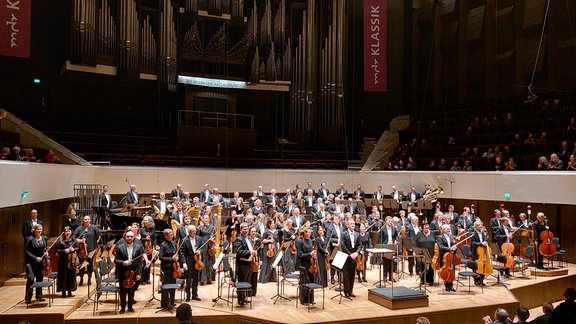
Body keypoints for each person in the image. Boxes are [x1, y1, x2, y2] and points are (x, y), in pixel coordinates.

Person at [114, 230, 143, 314]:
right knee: (122, 290)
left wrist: (139, 273)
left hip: (134, 271)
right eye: (128, 236)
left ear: (134, 237)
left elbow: (139, 262)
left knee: (131, 290)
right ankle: (123, 307)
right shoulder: (120, 247)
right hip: (123, 271)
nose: (129, 238)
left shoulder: (138, 247)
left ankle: (130, 307)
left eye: (131, 236)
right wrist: (124, 262)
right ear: (125, 237)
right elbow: (116, 260)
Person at [73, 215, 101, 286]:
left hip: (91, 249)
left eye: (88, 219)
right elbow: (74, 238)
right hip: (81, 250)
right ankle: (81, 278)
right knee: (82, 265)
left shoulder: (94, 228)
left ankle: (89, 278)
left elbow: (99, 236)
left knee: (90, 265)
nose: (87, 220)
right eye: (86, 219)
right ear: (83, 220)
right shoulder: (79, 228)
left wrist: (96, 243)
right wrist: (80, 241)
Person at [24, 224, 49, 303]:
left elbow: (44, 249)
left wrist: (46, 253)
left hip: (40, 262)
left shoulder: (44, 238)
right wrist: (35, 258)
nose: (39, 230)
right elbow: (26, 251)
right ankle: (28, 298)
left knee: (39, 278)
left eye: (41, 229)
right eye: (38, 229)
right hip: (31, 263)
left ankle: (39, 296)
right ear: (34, 230)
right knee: (31, 279)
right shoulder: (30, 239)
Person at [179, 225, 204, 302]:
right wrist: (184, 263)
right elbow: (181, 252)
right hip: (188, 261)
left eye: (195, 230)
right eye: (193, 231)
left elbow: (202, 248)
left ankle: (194, 295)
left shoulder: (199, 238)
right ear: (189, 232)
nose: (194, 232)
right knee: (188, 279)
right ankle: (188, 296)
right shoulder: (184, 240)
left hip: (197, 261)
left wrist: (200, 251)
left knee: (196, 279)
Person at [234, 222, 256, 306]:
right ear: (241, 230)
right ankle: (240, 299)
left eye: (247, 229)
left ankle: (244, 297)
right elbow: (238, 252)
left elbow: (250, 249)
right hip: (242, 263)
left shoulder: (249, 238)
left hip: (249, 262)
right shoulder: (238, 239)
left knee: (246, 280)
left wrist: (253, 252)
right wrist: (250, 252)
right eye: (244, 229)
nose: (246, 230)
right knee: (242, 281)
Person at [296, 227, 316, 304]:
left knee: (311, 279)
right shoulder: (300, 241)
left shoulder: (310, 241)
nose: (310, 233)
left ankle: (311, 299)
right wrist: (309, 254)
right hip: (303, 263)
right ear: (304, 233)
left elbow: (310, 250)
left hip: (310, 263)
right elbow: (300, 254)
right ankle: (303, 300)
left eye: (310, 232)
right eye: (308, 232)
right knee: (305, 280)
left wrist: (313, 254)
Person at [159, 229, 178, 310]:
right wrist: (171, 258)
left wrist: (177, 258)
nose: (172, 236)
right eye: (170, 235)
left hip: (174, 268)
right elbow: (161, 257)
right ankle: (164, 303)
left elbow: (177, 253)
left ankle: (172, 302)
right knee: (166, 285)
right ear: (166, 236)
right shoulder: (163, 245)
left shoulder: (174, 243)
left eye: (172, 234)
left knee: (173, 284)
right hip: (166, 268)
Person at [341, 219, 360, 298]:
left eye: (353, 224)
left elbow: (359, 245)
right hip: (347, 256)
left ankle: (351, 291)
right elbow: (343, 245)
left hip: (354, 256)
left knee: (352, 274)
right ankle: (346, 291)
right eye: (351, 224)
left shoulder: (357, 234)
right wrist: (350, 254)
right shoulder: (343, 234)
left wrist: (356, 253)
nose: (353, 225)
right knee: (346, 274)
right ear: (347, 225)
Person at [56, 226, 78, 298]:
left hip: (72, 260)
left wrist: (73, 249)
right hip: (63, 261)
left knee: (71, 275)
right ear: (64, 232)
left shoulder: (73, 240)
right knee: (63, 275)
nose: (68, 233)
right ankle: (63, 292)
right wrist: (64, 251)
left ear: (71, 232)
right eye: (66, 231)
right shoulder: (60, 241)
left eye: (69, 231)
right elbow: (57, 251)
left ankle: (69, 291)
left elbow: (77, 248)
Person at [436, 224, 457, 291]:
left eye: (449, 228)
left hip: (451, 256)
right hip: (444, 257)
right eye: (447, 229)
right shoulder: (440, 237)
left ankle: (451, 285)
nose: (449, 230)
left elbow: (454, 245)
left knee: (452, 270)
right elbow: (441, 247)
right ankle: (446, 285)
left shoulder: (452, 236)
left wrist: (454, 244)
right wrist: (450, 249)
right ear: (443, 230)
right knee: (446, 271)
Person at [414, 222, 435, 286]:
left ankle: (430, 280)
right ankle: (423, 280)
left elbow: (435, 241)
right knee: (423, 266)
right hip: (422, 252)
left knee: (431, 267)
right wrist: (415, 251)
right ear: (422, 228)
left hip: (431, 252)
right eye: (425, 227)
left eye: (428, 227)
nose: (427, 229)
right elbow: (416, 243)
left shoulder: (432, 233)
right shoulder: (419, 234)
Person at [379, 216, 398, 282]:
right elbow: (380, 239)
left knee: (391, 262)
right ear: (386, 221)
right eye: (389, 221)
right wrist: (382, 247)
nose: (391, 222)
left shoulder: (394, 228)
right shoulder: (382, 229)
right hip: (385, 246)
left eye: (391, 221)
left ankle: (391, 277)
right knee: (385, 262)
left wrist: (395, 240)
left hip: (392, 246)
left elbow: (396, 236)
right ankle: (384, 277)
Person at [197, 215, 215, 285]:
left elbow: (214, 236)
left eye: (207, 218)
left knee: (209, 262)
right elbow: (198, 236)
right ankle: (202, 279)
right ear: (203, 219)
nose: (206, 219)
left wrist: (212, 239)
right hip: (202, 245)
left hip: (209, 245)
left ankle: (209, 279)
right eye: (205, 218)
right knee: (203, 261)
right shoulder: (200, 227)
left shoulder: (212, 227)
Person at [471, 221, 489, 286]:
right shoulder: (473, 234)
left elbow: (486, 240)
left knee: (483, 266)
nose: (481, 226)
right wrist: (481, 244)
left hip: (483, 253)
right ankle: (476, 280)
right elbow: (473, 244)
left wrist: (486, 242)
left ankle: (481, 280)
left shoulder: (484, 233)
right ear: (476, 227)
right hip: (476, 253)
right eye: (479, 225)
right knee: (476, 267)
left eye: (481, 225)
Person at [140, 216, 156, 285]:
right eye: (144, 220)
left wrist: (154, 247)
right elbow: (140, 239)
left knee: (148, 263)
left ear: (150, 221)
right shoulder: (141, 229)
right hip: (143, 247)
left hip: (149, 248)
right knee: (143, 264)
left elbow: (154, 239)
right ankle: (142, 279)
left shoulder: (152, 229)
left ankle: (147, 279)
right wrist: (145, 239)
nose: (144, 221)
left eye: (146, 220)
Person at [248, 226, 260, 296]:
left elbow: (258, 249)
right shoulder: (248, 239)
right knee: (249, 275)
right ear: (250, 232)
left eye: (254, 231)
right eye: (252, 231)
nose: (253, 233)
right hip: (249, 258)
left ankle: (253, 291)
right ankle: (248, 291)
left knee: (255, 275)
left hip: (255, 259)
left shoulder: (258, 240)